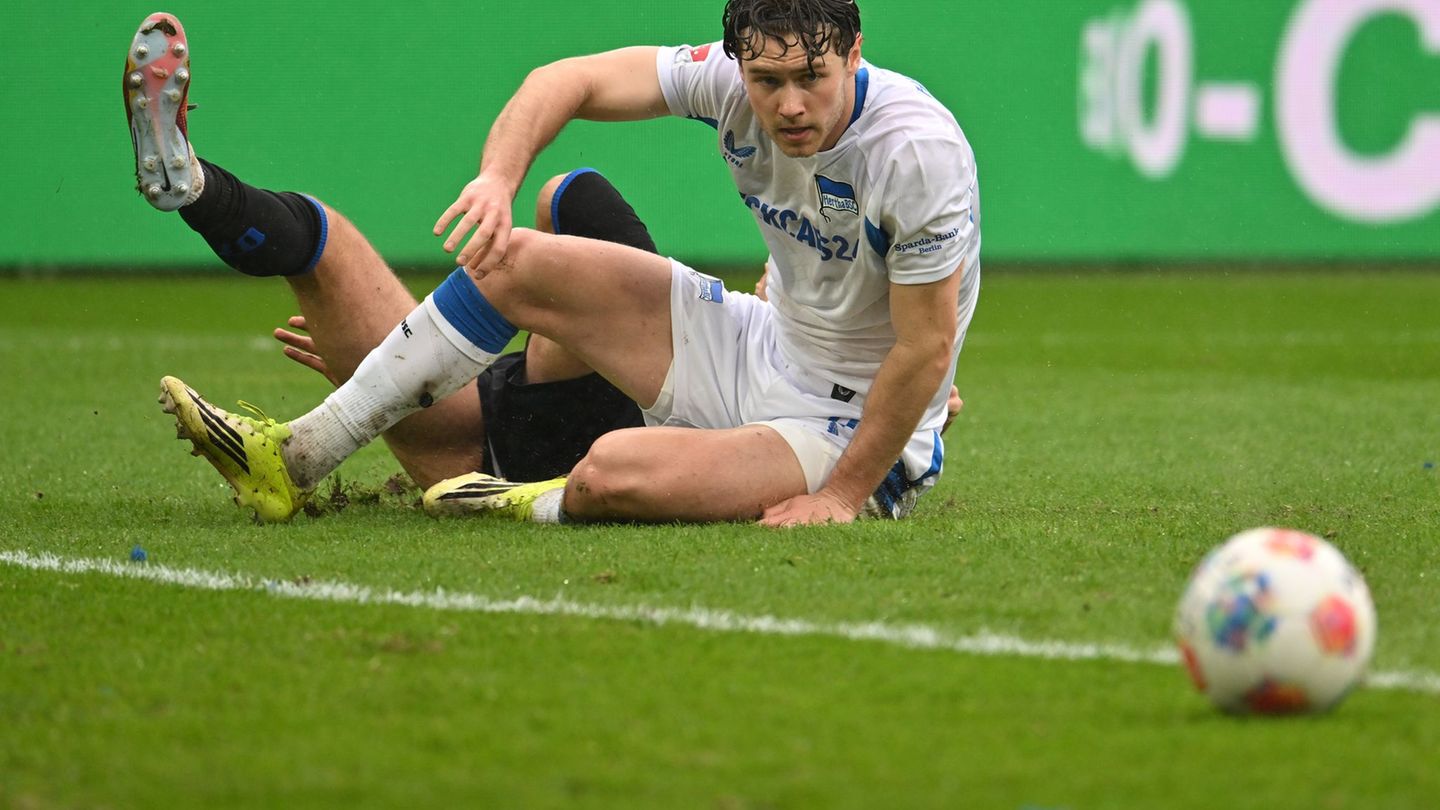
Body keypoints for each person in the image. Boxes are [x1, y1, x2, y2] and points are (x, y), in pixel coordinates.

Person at [139, 0, 981, 527]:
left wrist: (839, 496)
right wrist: (496, 180)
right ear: (741, 66)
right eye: (767, 80)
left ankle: (523, 498)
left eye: (812, 77)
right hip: (764, 346)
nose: (789, 104)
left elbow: (925, 349)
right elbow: (566, 79)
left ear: (855, 51)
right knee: (509, 259)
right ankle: (294, 458)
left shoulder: (914, 152)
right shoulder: (728, 84)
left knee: (610, 471)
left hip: (844, 424)